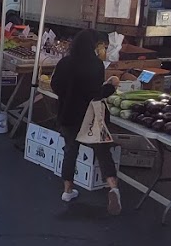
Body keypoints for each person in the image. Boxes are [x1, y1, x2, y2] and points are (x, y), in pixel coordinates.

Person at [49, 28, 122, 214]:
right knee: (103, 152)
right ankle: (113, 188)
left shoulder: (65, 63)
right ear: (92, 46)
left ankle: (67, 191)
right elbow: (95, 94)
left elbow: (55, 86)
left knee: (70, 151)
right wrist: (111, 87)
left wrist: (68, 95)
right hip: (91, 118)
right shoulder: (96, 65)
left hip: (68, 115)